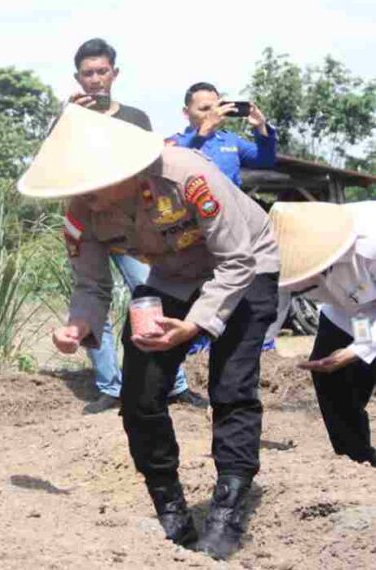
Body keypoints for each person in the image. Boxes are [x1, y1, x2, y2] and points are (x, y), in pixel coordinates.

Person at [20, 104, 280, 560]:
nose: (85, 197)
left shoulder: (186, 176)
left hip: (245, 264)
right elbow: (90, 285)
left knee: (231, 385)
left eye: (92, 185)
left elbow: (236, 259)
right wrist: (76, 327)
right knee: (139, 389)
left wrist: (196, 324)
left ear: (124, 168)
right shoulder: (82, 216)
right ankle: (169, 503)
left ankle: (228, 508)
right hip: (174, 276)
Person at [67, 37, 204, 414]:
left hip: (135, 226)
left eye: (101, 71)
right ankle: (110, 386)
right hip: (91, 225)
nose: (95, 79)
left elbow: (153, 167)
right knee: (93, 296)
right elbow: (57, 167)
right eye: (87, 73)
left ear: (115, 73)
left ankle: (172, 383)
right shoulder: (69, 118)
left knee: (151, 296)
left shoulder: (135, 118)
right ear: (77, 78)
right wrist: (68, 121)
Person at [167, 82, 282, 353]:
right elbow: (174, 163)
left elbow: (265, 159)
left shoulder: (230, 142)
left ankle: (227, 337)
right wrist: (203, 131)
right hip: (192, 230)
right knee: (200, 285)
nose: (211, 113)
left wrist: (260, 128)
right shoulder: (175, 143)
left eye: (215, 107)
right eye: (203, 109)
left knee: (234, 279)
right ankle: (195, 335)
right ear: (186, 112)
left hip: (230, 227)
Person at [270, 201, 376, 466]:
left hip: (364, 303)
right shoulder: (281, 251)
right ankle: (355, 460)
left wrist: (357, 350)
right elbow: (271, 307)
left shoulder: (371, 240)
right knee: (333, 380)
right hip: (349, 309)